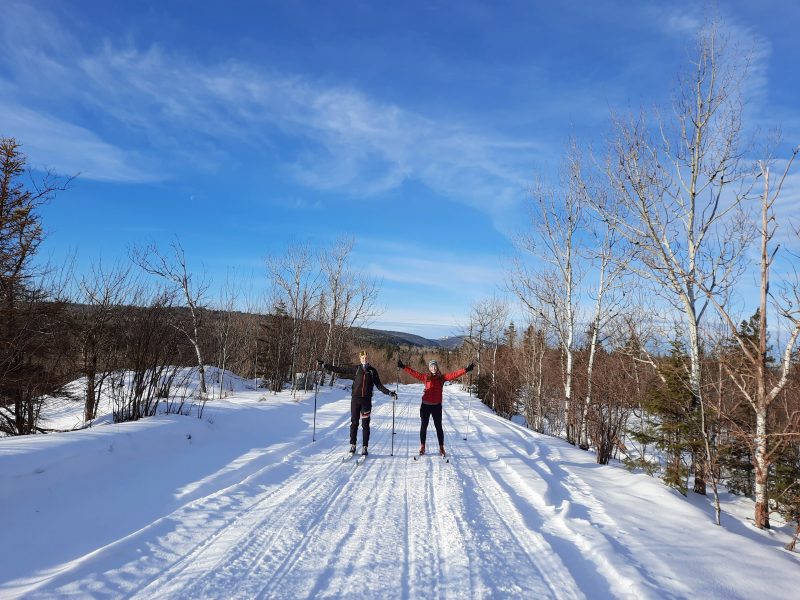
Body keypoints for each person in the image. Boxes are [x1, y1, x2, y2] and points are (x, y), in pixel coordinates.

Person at [318, 351, 396, 456]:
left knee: (365, 425)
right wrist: (324, 365)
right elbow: (340, 369)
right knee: (354, 423)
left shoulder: (373, 371)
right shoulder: (356, 369)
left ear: (368, 359)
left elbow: (379, 385)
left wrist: (389, 393)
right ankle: (353, 445)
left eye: (366, 357)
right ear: (360, 359)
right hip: (355, 400)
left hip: (366, 402)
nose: (365, 359)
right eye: (363, 357)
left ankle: (365, 447)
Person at [397, 358, 474, 457]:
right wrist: (403, 366)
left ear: (437, 367)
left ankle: (441, 448)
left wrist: (466, 370)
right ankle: (422, 446)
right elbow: (414, 373)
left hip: (437, 407)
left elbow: (454, 374)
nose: (433, 368)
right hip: (425, 406)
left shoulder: (442, 378)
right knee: (424, 426)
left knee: (439, 427)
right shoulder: (426, 377)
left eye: (434, 366)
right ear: (429, 368)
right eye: (431, 366)